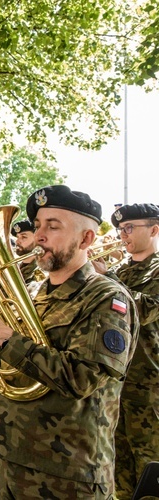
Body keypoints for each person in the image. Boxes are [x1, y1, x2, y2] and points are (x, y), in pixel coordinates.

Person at [0, 185, 138, 499]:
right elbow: (11, 369)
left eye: (53, 226)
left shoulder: (107, 298)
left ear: (86, 239)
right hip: (15, 454)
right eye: (38, 225)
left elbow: (81, 378)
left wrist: (4, 336)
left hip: (68, 471)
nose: (39, 235)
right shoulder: (34, 292)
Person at [99, 203, 159, 498]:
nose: (123, 235)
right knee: (117, 462)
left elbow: (146, 309)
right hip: (115, 380)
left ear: (154, 229)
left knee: (149, 462)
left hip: (148, 383)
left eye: (130, 228)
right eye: (121, 229)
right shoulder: (119, 269)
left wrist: (106, 279)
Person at [11, 218, 45, 283]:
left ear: (37, 240)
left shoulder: (40, 271)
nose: (17, 241)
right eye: (17, 237)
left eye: (24, 237)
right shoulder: (15, 267)